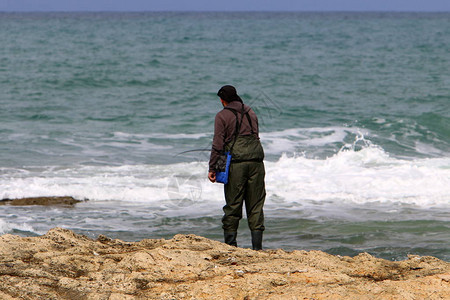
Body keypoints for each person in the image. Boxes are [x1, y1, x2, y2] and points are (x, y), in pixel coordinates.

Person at [208, 85, 266, 250]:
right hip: (256, 163)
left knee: (233, 205)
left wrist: (213, 168)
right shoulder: (250, 112)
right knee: (255, 206)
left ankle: (231, 247)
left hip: (236, 164)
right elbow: (256, 136)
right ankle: (257, 249)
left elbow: (218, 144)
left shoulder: (222, 115)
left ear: (222, 100)